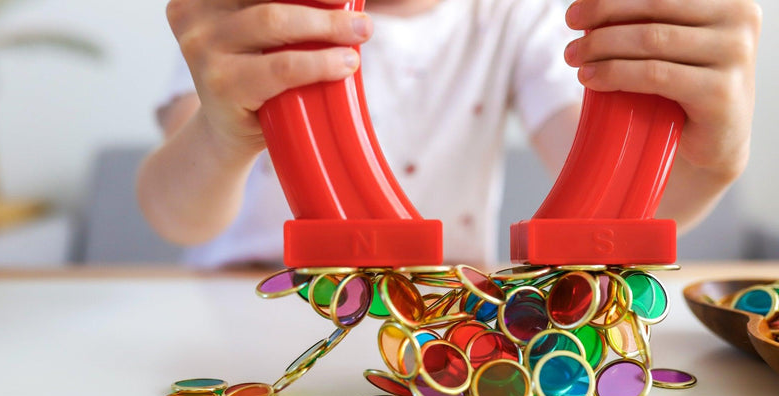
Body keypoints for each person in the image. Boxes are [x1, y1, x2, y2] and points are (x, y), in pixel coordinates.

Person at [137, 0, 762, 268]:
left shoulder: (514, 14)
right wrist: (221, 135)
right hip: (244, 310)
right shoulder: (252, 17)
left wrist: (711, 164)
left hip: (442, 323)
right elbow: (175, 214)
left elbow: (621, 207)